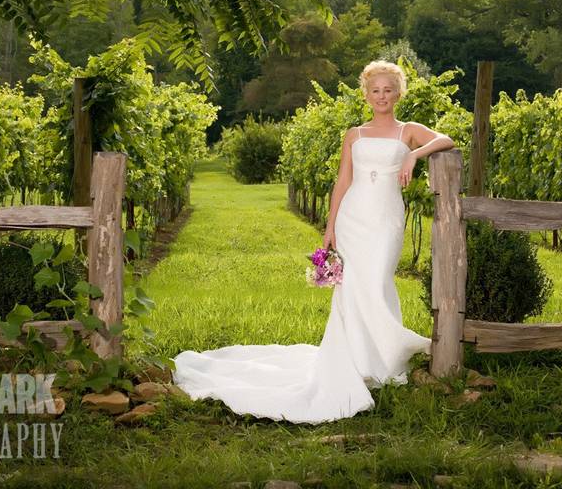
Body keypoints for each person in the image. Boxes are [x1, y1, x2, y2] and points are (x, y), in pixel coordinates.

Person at [172, 60, 457, 423]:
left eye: (388, 90)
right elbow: (342, 182)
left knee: (377, 280)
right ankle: (356, 358)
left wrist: (414, 155)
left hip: (386, 220)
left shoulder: (408, 131)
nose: (382, 96)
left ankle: (383, 357)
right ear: (366, 95)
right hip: (354, 217)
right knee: (353, 286)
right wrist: (330, 226)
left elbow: (445, 139)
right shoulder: (354, 134)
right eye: (375, 90)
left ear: (398, 93)